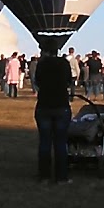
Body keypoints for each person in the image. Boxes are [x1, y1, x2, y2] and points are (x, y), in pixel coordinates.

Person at [33, 45, 74, 184]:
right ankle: (61, 176)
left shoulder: (41, 64)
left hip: (44, 106)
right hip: (61, 106)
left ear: (45, 51)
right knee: (61, 142)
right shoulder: (64, 63)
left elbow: (37, 81)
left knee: (45, 142)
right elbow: (69, 80)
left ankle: (44, 176)